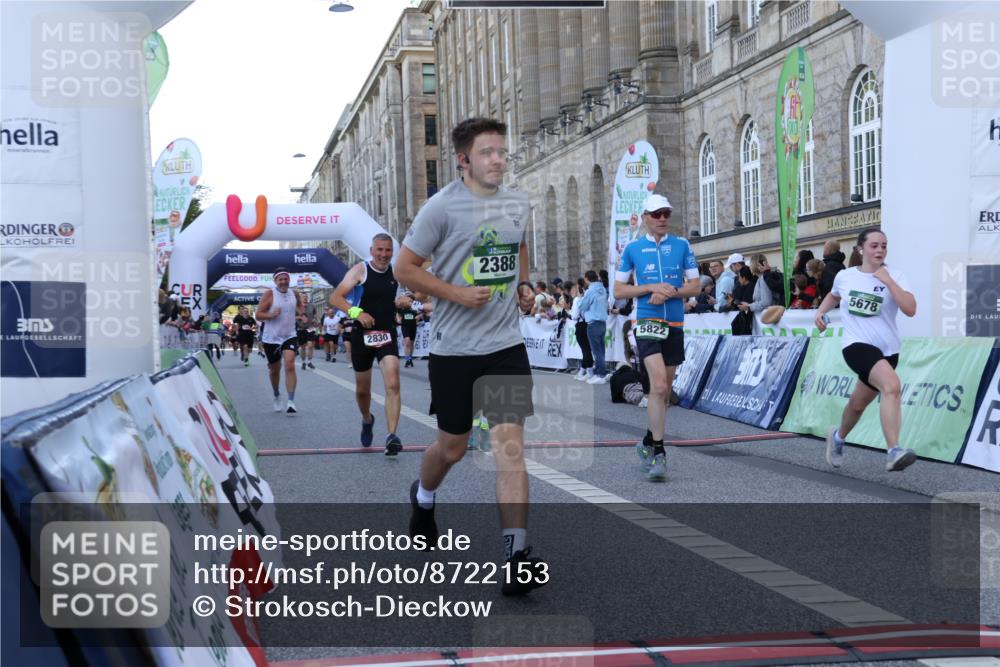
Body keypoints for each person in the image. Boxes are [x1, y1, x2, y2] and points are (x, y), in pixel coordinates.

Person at [394, 117, 547, 596]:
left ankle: (516, 556)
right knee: (453, 448)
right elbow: (405, 269)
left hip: (505, 347)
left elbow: (519, 247)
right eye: (487, 152)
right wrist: (454, 294)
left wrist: (523, 285)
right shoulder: (439, 210)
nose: (498, 159)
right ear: (463, 160)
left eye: (502, 151)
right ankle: (423, 498)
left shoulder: (517, 202)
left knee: (509, 449)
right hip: (454, 350)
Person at [614, 193, 700, 482]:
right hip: (647, 322)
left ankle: (648, 441)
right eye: (657, 214)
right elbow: (619, 291)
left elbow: (695, 286)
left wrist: (672, 291)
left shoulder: (682, 245)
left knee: (664, 392)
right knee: (658, 385)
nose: (662, 218)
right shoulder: (633, 248)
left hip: (674, 322)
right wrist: (650, 287)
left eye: (666, 213)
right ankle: (660, 452)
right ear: (647, 217)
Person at [816, 228, 918, 472]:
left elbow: (910, 309)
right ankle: (894, 450)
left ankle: (838, 438)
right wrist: (820, 312)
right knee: (892, 386)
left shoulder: (896, 275)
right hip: (856, 346)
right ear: (861, 249)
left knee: (857, 404)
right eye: (874, 245)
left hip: (888, 352)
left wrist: (889, 282)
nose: (880, 250)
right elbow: (833, 296)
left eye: (884, 245)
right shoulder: (846, 276)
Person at [330, 234, 404, 455]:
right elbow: (336, 298)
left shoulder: (397, 271)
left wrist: (407, 298)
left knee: (393, 383)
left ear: (392, 252)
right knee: (363, 391)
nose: (383, 255)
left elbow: (416, 291)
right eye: (379, 250)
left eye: (388, 250)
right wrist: (357, 312)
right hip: (362, 335)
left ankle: (391, 436)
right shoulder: (360, 270)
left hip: (386, 333)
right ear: (372, 250)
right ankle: (366, 418)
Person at [257, 268, 305, 414]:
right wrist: (271, 315)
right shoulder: (269, 294)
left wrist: (301, 314)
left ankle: (291, 401)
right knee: (274, 369)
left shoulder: (294, 293)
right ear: (275, 281)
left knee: (290, 365)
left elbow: (300, 306)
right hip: (271, 338)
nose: (283, 282)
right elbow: (258, 314)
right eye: (280, 279)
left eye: (286, 279)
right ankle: (277, 394)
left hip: (289, 335)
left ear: (289, 280)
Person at [576, 270, 610, 385]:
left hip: (593, 322)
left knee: (597, 351)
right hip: (602, 322)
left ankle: (600, 374)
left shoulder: (590, 291)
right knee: (601, 349)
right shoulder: (603, 289)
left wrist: (581, 299)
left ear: (587, 278)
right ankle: (600, 372)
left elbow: (582, 306)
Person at [396, 293, 420, 368]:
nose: (409, 301)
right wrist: (398, 318)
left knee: (411, 343)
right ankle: (407, 360)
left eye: (410, 300)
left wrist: (419, 317)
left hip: (413, 327)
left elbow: (423, 313)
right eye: (408, 300)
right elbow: (397, 312)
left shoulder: (416, 308)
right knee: (407, 342)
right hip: (405, 326)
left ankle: (410, 359)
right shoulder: (402, 307)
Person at [296, 296, 318, 370]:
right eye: (303, 297)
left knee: (310, 345)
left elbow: (315, 315)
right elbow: (292, 316)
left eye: (306, 297)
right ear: (300, 298)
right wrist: (300, 317)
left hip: (310, 328)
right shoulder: (297, 306)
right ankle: (304, 362)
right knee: (302, 347)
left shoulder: (312, 306)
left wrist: (314, 320)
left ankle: (309, 361)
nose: (305, 298)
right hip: (301, 328)